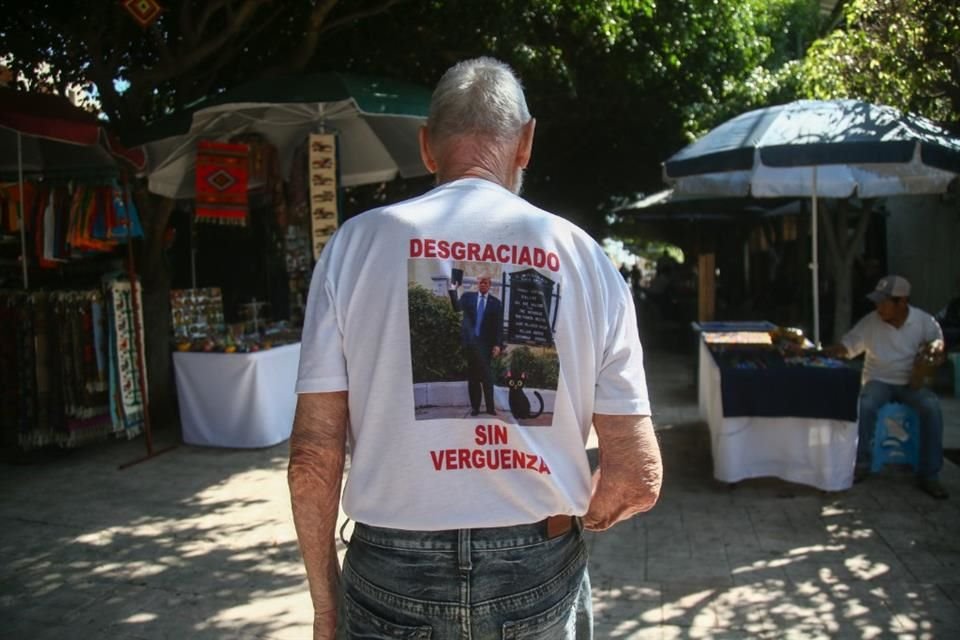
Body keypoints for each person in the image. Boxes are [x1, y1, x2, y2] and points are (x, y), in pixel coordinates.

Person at [288, 57, 662, 639]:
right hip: (538, 565)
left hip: (391, 569)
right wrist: (565, 512)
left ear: (427, 148)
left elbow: (312, 460)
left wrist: (325, 607)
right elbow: (638, 476)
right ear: (526, 143)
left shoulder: (353, 247)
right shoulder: (588, 259)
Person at [823, 275, 947, 499]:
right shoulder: (871, 322)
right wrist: (826, 352)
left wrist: (935, 349)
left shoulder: (923, 321)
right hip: (878, 380)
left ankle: (930, 474)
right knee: (866, 403)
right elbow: (848, 346)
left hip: (911, 382)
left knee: (931, 407)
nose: (878, 307)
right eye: (877, 302)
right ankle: (861, 463)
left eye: (884, 301)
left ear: (902, 302)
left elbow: (937, 341)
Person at [449, 273, 502, 416]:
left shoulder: (496, 303)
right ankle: (475, 408)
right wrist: (453, 289)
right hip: (471, 344)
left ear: (490, 285)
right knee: (473, 378)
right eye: (481, 282)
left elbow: (498, 326)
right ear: (477, 283)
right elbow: (456, 308)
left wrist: (498, 345)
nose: (483, 284)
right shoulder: (468, 297)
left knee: (486, 377)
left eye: (486, 282)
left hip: (486, 345)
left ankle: (490, 408)